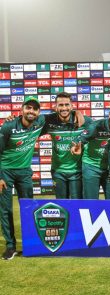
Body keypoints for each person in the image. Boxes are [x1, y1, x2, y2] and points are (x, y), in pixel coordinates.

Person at [0, 97, 45, 260]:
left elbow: (61, 116)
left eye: (34, 109)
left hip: (24, 171)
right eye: (28, 108)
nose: (31, 111)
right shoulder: (9, 126)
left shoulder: (40, 122)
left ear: (39, 112)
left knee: (28, 207)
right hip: (5, 171)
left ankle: (30, 244)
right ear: (22, 109)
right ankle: (10, 246)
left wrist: (76, 113)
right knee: (5, 209)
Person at [71, 102, 110, 199]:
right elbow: (79, 140)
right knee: (90, 202)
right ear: (109, 115)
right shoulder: (96, 126)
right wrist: (75, 146)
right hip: (91, 166)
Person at [43, 92, 91, 199]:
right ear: (55, 107)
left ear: (72, 106)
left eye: (67, 105)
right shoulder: (49, 121)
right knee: (61, 204)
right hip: (58, 171)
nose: (64, 108)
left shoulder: (84, 121)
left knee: (77, 205)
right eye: (60, 105)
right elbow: (30, 124)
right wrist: (14, 119)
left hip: (77, 171)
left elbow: (98, 130)